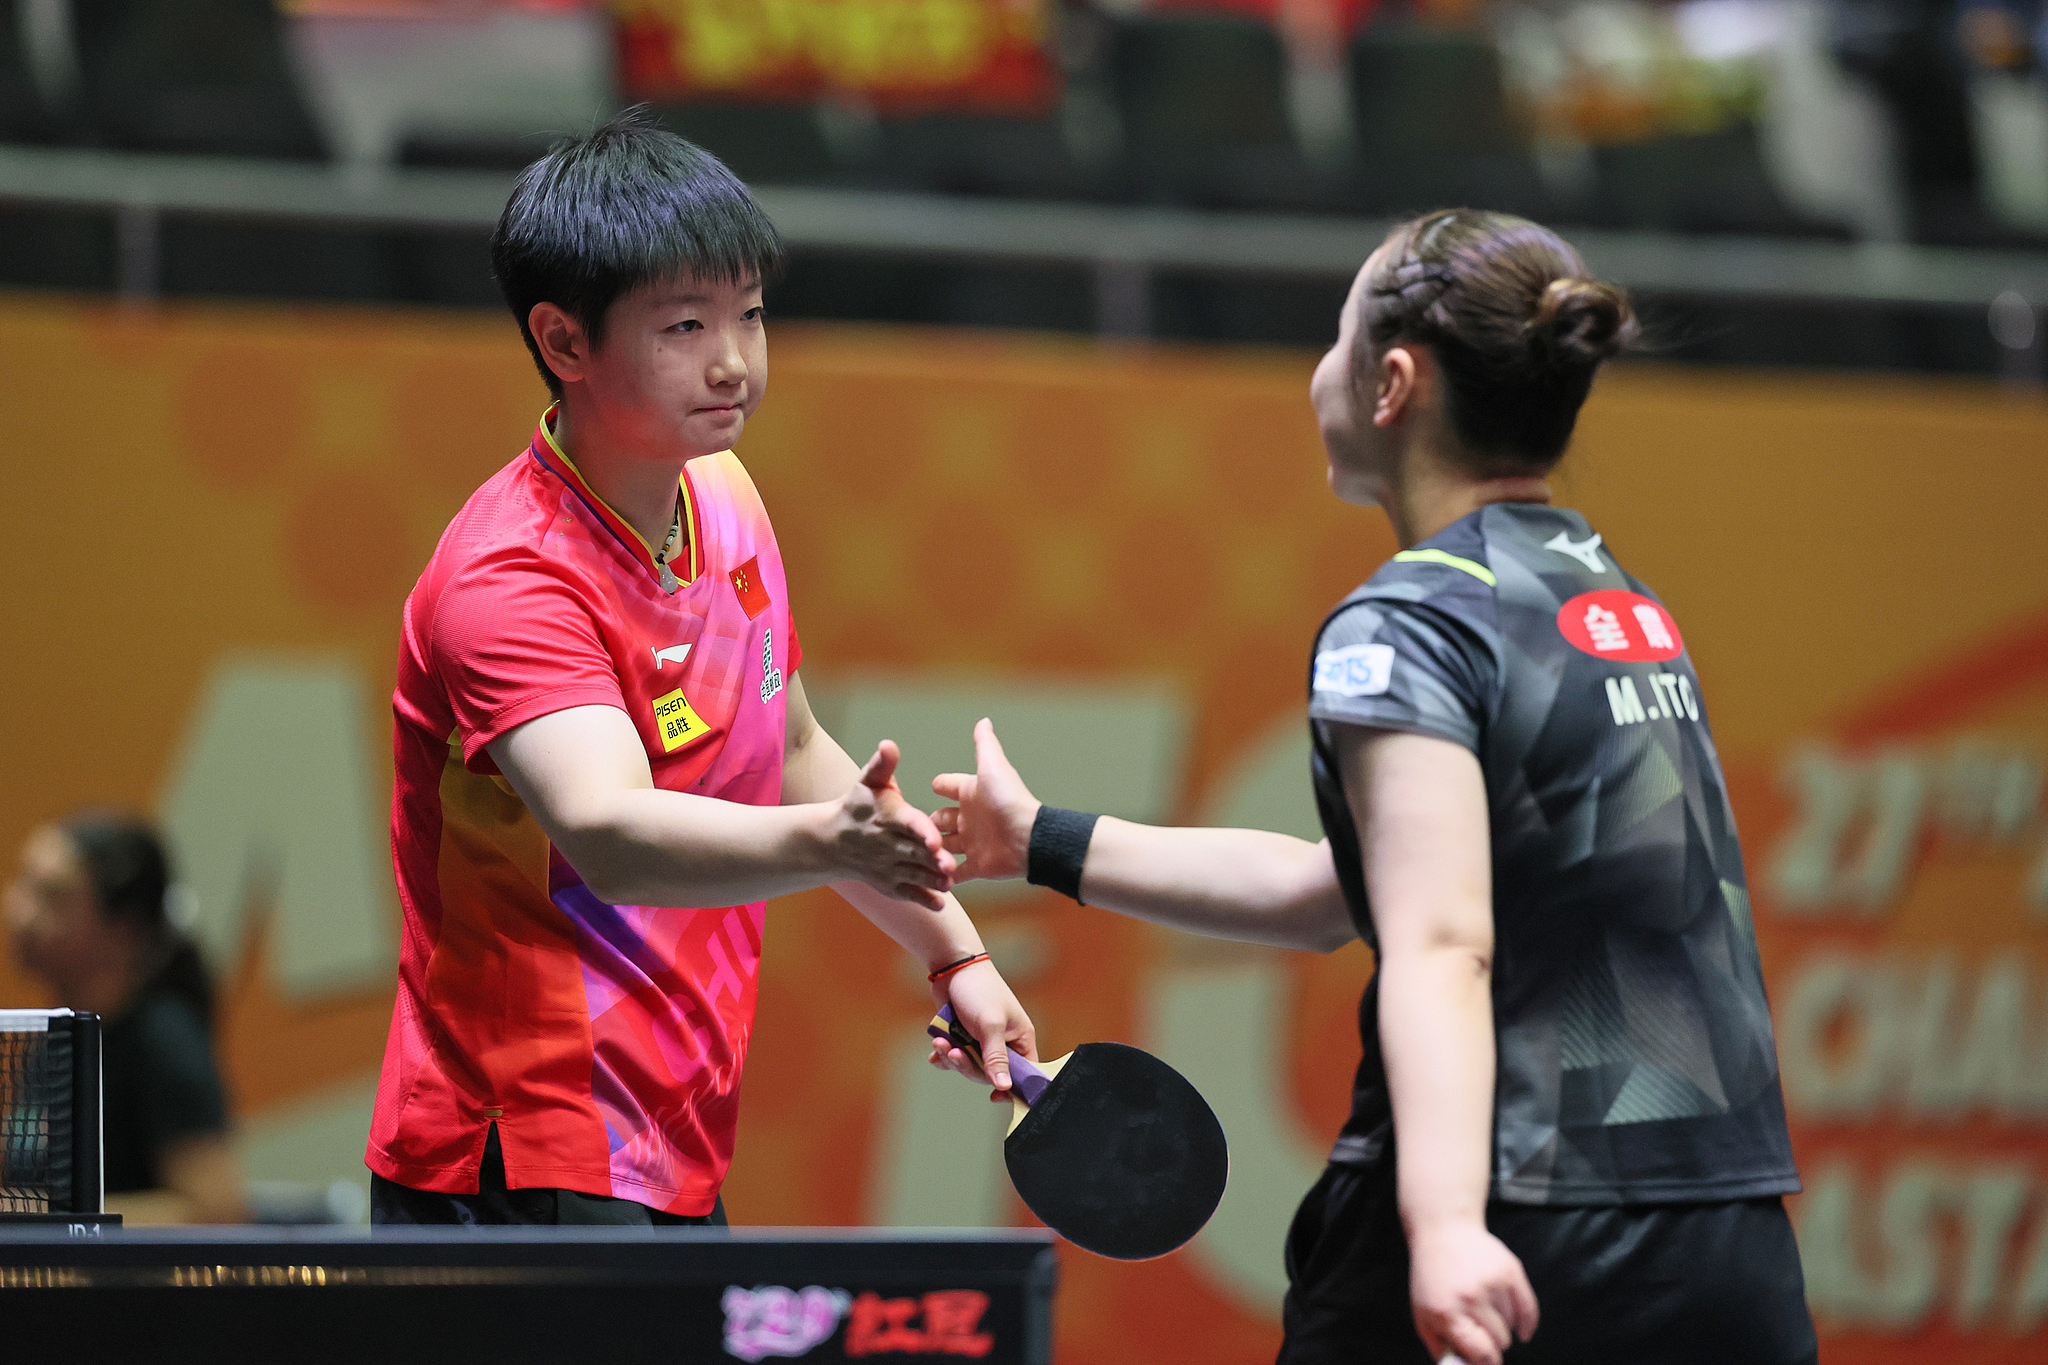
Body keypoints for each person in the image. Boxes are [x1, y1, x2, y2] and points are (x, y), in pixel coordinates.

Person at [928, 209, 1816, 1364]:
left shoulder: (1404, 623)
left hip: (1517, 1219)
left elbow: (1440, 941)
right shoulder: (1611, 603)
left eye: (1331, 336)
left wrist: (1443, 1228)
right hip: (1721, 1234)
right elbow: (1332, 893)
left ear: (1390, 383)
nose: (1316, 372)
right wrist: (1041, 839)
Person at [366, 108, 1033, 1227]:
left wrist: (954, 956)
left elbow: (796, 752)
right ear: (565, 341)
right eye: (683, 325)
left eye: (750, 314)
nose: (733, 361)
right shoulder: (509, 575)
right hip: (518, 1148)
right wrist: (830, 843)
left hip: (669, 1128)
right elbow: (611, 834)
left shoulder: (722, 499)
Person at [6, 813, 245, 1224]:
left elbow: (217, 1210)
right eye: (24, 885)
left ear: (125, 929)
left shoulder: (163, 1041)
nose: (19, 913)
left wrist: (65, 1223)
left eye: (53, 897)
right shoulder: (52, 1041)